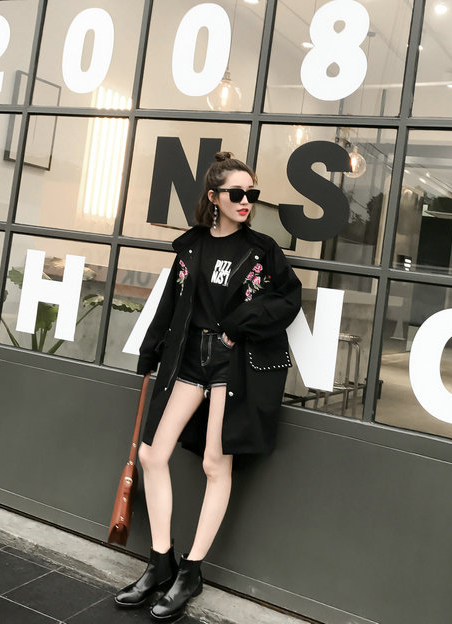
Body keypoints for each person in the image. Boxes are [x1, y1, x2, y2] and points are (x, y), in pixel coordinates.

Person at [114, 152, 302, 622]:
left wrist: (239, 325)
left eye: (252, 193)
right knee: (151, 455)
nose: (246, 201)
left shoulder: (262, 250)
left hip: (230, 363)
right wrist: (150, 351)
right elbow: (171, 303)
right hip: (187, 357)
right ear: (214, 197)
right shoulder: (192, 246)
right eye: (237, 193)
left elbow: (289, 299)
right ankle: (160, 561)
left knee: (216, 465)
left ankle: (191, 570)